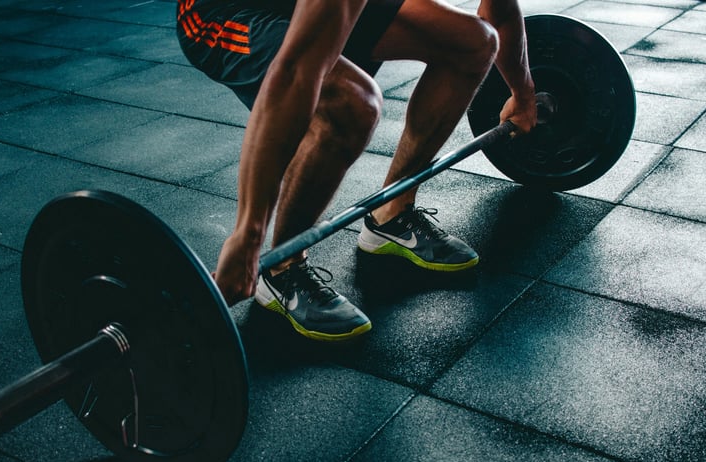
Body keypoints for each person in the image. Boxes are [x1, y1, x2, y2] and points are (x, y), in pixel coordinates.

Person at [177, 0, 537, 341]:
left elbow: (500, 12)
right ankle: (282, 269)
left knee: (473, 42)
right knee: (353, 103)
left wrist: (523, 93)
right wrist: (247, 235)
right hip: (222, 11)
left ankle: (391, 214)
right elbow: (296, 72)